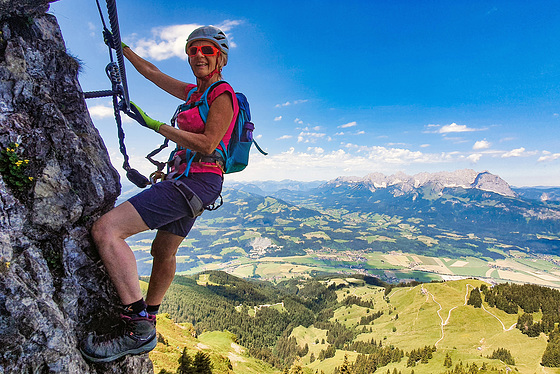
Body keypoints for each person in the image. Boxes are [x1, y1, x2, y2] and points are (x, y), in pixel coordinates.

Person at [80, 25, 238, 363]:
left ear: (220, 57)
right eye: (192, 49)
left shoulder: (222, 95)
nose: (198, 55)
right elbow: (152, 73)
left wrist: (155, 125)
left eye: (207, 50)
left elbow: (209, 143)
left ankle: (137, 325)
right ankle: (150, 315)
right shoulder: (194, 93)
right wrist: (121, 48)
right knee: (162, 250)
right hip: (194, 181)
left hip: (195, 181)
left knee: (106, 230)